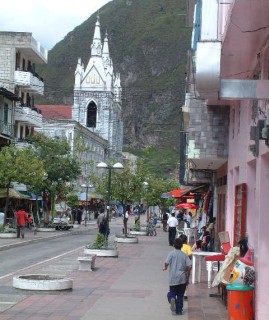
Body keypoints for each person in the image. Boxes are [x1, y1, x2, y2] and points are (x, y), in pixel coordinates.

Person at [163, 238, 192, 315]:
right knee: (180, 295)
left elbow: (166, 263)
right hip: (182, 279)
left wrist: (165, 267)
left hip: (173, 278)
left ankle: (172, 298)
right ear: (182, 246)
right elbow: (189, 266)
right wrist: (186, 271)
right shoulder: (184, 255)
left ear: (173, 245)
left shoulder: (171, 254)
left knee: (172, 292)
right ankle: (179, 310)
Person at [179, 234, 192, 300]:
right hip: (186, 266)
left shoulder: (178, 247)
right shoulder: (188, 247)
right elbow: (190, 256)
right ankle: (184, 293)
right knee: (186, 279)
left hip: (178, 266)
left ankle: (178, 292)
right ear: (186, 240)